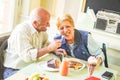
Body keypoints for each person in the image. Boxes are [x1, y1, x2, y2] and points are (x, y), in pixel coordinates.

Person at [3, 7, 61, 79]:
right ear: (35, 23)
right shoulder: (21, 31)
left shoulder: (41, 30)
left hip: (30, 66)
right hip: (14, 69)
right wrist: (49, 48)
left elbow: (46, 44)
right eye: (46, 23)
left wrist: (54, 49)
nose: (49, 25)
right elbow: (27, 56)